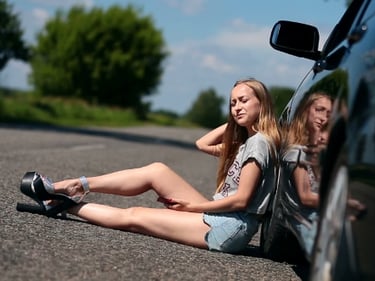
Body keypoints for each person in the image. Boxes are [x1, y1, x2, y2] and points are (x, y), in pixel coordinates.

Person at [16, 78, 280, 254]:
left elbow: (241, 200)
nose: (236, 107)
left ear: (262, 103)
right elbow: (202, 143)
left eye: (243, 101)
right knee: (157, 170)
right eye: (232, 103)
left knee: (135, 216)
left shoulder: (259, 144)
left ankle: (61, 202)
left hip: (229, 227)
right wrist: (236, 122)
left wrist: (192, 208)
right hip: (222, 217)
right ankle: (74, 185)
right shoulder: (248, 142)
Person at [279, 91, 333, 257]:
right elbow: (306, 196)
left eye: (329, 113)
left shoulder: (318, 151)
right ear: (306, 111)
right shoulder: (296, 151)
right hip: (306, 220)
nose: (323, 117)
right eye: (319, 109)